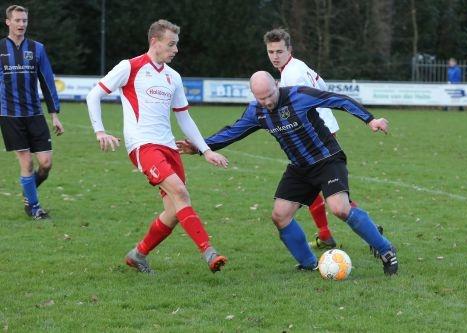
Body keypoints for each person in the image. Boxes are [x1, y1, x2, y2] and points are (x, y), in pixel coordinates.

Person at [178, 71, 398, 276]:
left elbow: (338, 99)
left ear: (276, 84)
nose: (267, 102)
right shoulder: (257, 110)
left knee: (340, 208)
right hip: (299, 168)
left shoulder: (299, 95)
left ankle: (385, 249)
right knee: (280, 215)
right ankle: (309, 264)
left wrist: (370, 119)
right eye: (260, 98)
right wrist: (200, 147)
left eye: (269, 95)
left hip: (327, 160)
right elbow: (233, 132)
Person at [86, 19, 228, 274]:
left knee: (174, 211)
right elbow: (93, 94)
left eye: (176, 44)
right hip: (143, 145)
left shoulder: (173, 77)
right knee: (181, 193)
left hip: (169, 147)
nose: (176, 50)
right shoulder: (130, 67)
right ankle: (209, 252)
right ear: (155, 42)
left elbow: (184, 116)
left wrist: (205, 150)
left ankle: (138, 254)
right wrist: (99, 130)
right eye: (171, 44)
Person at [264, 28, 377, 250]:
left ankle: (352, 230)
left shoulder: (291, 75)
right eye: (271, 52)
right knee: (320, 186)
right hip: (323, 125)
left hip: (315, 131)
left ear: (289, 50)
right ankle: (327, 234)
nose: (275, 56)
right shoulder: (299, 66)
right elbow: (323, 88)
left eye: (279, 51)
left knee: (317, 184)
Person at [0, 5, 64, 220]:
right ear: (8, 22)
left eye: (24, 20)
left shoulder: (37, 48)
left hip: (35, 114)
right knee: (26, 162)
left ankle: (29, 192)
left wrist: (54, 114)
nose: (21, 24)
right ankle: (34, 207)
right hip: (10, 115)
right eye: (17, 20)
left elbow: (47, 81)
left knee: (46, 163)